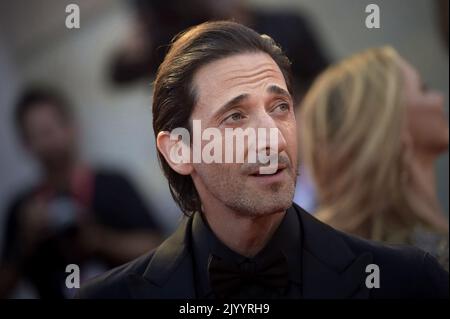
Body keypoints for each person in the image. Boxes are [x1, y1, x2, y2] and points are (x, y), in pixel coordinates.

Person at [77, 22, 448, 299]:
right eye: (236, 116)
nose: (271, 136)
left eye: (280, 108)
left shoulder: (406, 280)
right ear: (179, 150)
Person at [0, 87, 162, 298]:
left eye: (50, 130)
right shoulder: (22, 209)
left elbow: (158, 249)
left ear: (72, 127)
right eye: (36, 135)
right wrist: (25, 241)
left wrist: (99, 241)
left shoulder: (114, 184)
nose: (48, 142)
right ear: (26, 145)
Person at [299, 47, 449, 270]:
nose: (439, 99)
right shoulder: (423, 266)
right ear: (389, 123)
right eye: (423, 89)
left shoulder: (334, 260)